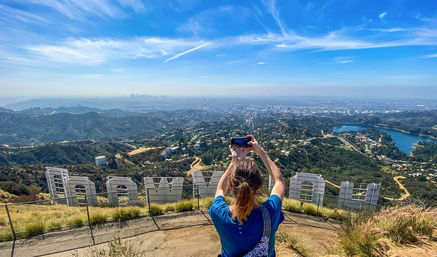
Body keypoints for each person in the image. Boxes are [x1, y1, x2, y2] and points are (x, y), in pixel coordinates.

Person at [209, 136, 285, 257]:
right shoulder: (270, 213)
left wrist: (234, 162)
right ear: (260, 185)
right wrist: (259, 151)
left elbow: (220, 190)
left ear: (230, 184)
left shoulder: (218, 212)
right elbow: (279, 181)